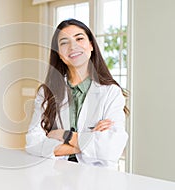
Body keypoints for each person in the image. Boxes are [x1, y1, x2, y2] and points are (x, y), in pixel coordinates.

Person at [25, 18, 128, 170]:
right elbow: (33, 143)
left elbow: (111, 148)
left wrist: (65, 135)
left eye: (79, 38)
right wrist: (90, 140)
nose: (73, 46)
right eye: (64, 42)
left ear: (91, 45)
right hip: (54, 177)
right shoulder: (46, 92)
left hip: (97, 179)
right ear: (59, 54)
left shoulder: (110, 92)